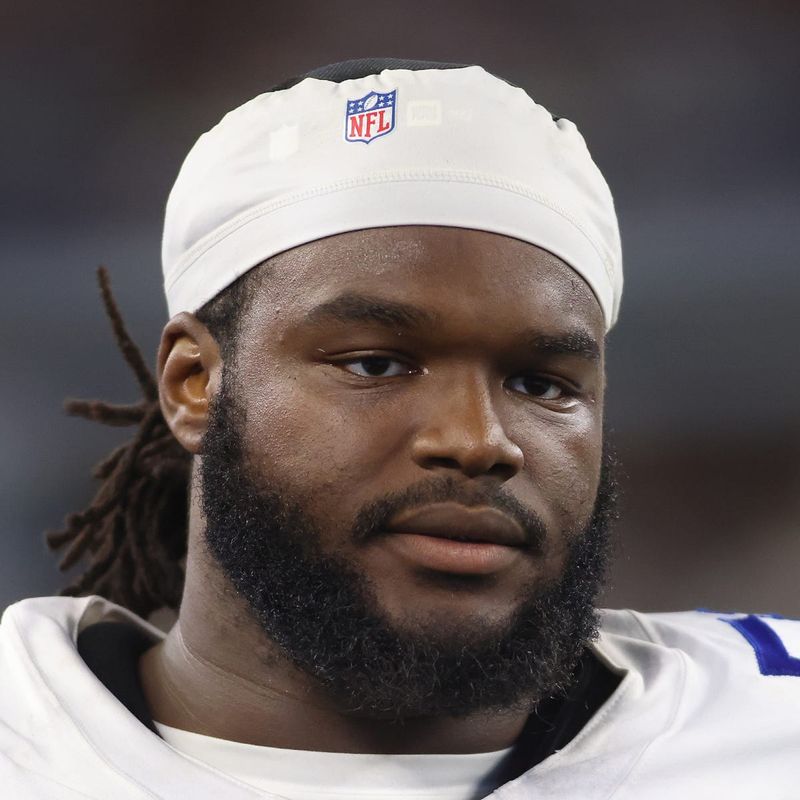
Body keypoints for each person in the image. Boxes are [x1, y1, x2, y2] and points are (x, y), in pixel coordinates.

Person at [1, 58, 797, 799]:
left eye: (540, 383)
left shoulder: (769, 730)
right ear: (194, 384)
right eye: (376, 365)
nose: (478, 440)